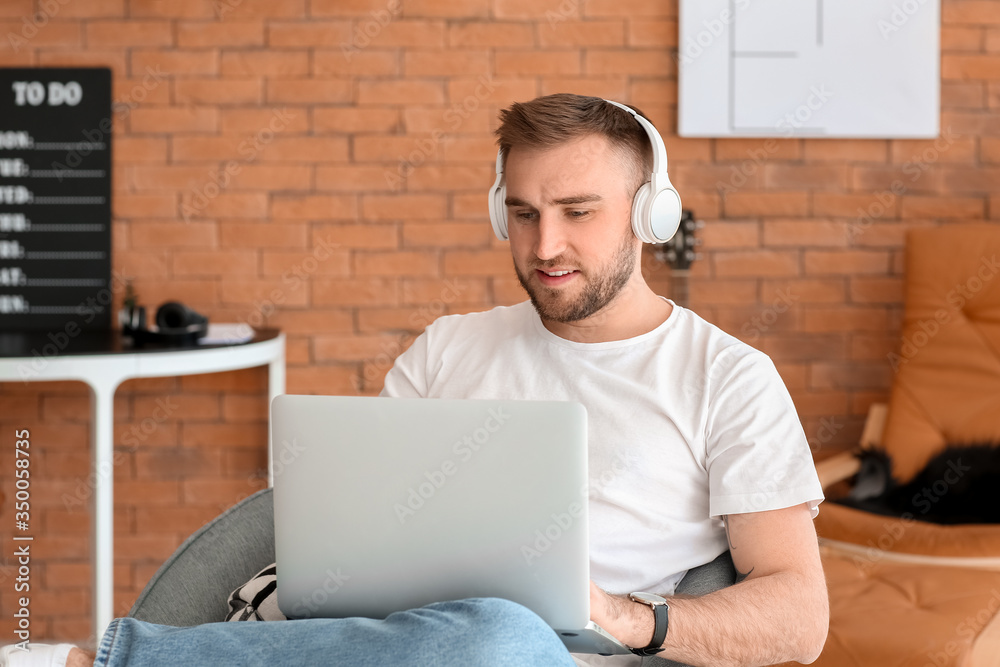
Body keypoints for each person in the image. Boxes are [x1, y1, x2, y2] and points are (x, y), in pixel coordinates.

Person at [2, 94, 827, 667]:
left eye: (579, 211)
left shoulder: (728, 377)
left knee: (501, 636)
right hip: (382, 636)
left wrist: (619, 613)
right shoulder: (447, 347)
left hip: (545, 652)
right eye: (526, 212)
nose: (546, 244)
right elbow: (355, 535)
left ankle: (96, 660)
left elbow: (801, 615)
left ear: (651, 215)